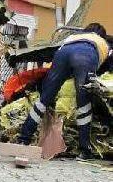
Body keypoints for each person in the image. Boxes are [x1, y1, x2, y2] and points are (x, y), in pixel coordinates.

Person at [18, 23, 110, 159]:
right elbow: (104, 69)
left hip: (62, 53)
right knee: (84, 104)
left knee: (44, 100)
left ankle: (23, 139)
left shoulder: (74, 36)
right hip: (86, 56)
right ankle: (85, 150)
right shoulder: (103, 43)